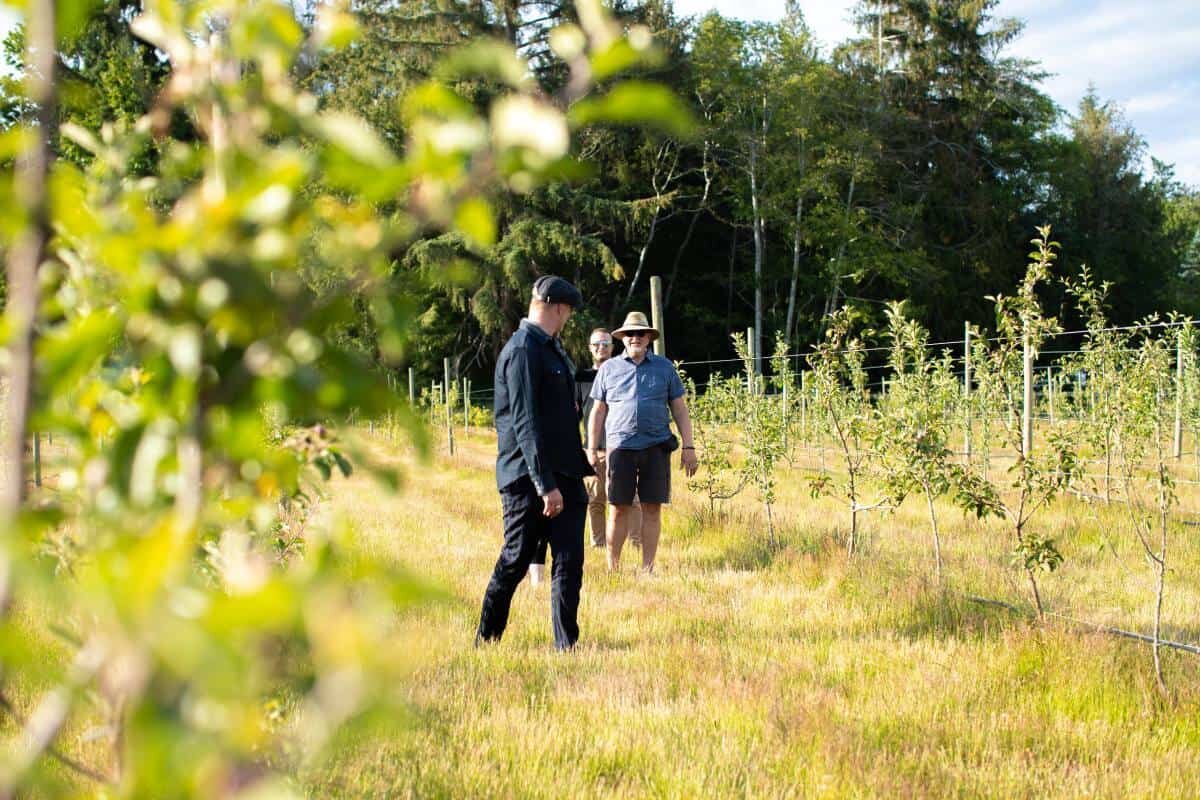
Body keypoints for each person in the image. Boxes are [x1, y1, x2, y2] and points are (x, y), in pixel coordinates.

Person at [476, 276, 592, 650]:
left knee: (569, 562)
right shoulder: (524, 349)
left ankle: (566, 645)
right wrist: (545, 485)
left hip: (566, 472)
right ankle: (487, 639)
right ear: (557, 308)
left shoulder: (551, 349)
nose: (567, 320)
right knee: (516, 558)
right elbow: (525, 423)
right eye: (568, 313)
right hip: (528, 478)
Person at [586, 311, 698, 572]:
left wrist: (689, 446)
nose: (635, 338)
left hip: (656, 446)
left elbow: (680, 409)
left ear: (649, 337)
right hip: (620, 449)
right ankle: (613, 567)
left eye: (640, 333)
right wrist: (591, 449)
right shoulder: (609, 369)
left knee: (651, 508)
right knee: (618, 509)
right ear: (623, 339)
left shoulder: (664, 368)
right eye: (630, 334)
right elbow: (598, 411)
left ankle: (647, 567)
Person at [575, 328, 641, 550]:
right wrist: (584, 449)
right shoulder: (580, 378)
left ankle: (635, 543)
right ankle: (599, 544)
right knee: (595, 499)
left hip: (624, 447)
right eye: (596, 344)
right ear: (590, 348)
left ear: (613, 347)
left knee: (631, 498)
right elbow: (573, 413)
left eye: (605, 344)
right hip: (594, 449)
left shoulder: (624, 373)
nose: (601, 348)